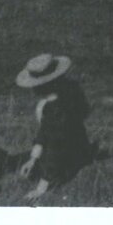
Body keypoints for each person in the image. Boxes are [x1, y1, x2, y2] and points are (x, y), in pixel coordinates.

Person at [14, 52, 93, 199]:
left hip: (66, 155)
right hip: (80, 145)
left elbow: (55, 146)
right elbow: (45, 131)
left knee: (34, 174)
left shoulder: (56, 109)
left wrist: (41, 188)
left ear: (42, 86)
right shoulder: (70, 89)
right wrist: (33, 159)